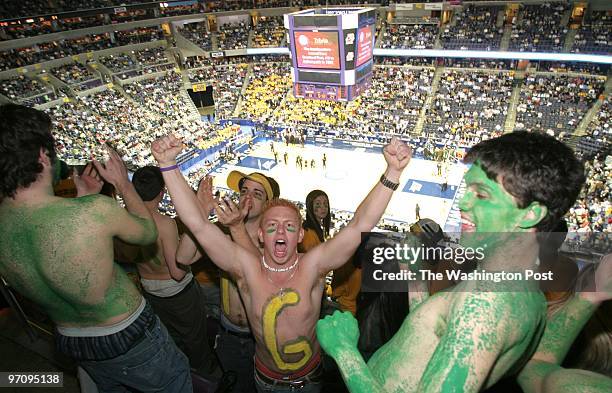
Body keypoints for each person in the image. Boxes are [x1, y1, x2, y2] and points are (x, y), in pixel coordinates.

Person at [316, 131, 586, 392]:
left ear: (530, 215)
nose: (463, 203)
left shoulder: (484, 304)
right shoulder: (522, 290)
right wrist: (416, 279)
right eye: (468, 189)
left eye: (481, 194)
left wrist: (344, 351)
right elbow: (428, 341)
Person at [152, 134, 412, 392]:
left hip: (310, 380)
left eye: (289, 226)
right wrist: (167, 165)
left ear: (299, 235)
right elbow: (197, 225)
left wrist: (392, 172)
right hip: (264, 381)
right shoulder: (246, 269)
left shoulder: (313, 266)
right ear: (261, 235)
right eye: (272, 226)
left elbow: (360, 225)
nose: (280, 232)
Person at [0, 104, 191, 392]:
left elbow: (52, 248)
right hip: (128, 334)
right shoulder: (94, 211)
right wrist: (123, 184)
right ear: (42, 154)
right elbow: (147, 232)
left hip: (70, 338)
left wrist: (82, 197)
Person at [177, 171, 280, 393]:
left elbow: (262, 276)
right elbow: (183, 258)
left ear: (267, 205)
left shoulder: (273, 238)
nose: (247, 198)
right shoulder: (223, 231)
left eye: (257, 194)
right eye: (244, 191)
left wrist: (236, 228)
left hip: (262, 337)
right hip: (229, 334)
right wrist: (202, 212)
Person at [127, 166, 222, 383]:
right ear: (162, 192)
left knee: (171, 336)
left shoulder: (127, 218)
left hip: (149, 289)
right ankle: (206, 379)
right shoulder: (164, 223)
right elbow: (177, 272)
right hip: (177, 293)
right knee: (195, 339)